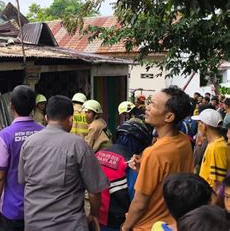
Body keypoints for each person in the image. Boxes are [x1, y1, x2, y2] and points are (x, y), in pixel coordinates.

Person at [18, 95, 109, 230]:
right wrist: (94, 214)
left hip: (34, 224)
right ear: (71, 119)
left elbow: (23, 180)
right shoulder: (78, 146)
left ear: (46, 118)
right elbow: (94, 191)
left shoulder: (28, 143)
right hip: (69, 225)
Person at [121, 86, 194, 231]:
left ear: (169, 117)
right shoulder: (184, 142)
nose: (147, 108)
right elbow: (169, 178)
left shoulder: (153, 153)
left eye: (153, 105)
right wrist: (144, 168)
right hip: (173, 224)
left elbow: (140, 204)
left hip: (148, 226)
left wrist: (125, 227)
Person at [0, 85, 43, 231]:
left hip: (13, 210)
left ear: (11, 106)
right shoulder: (44, 132)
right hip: (41, 208)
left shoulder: (6, 135)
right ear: (34, 106)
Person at [96, 120, 153, 231]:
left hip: (96, 216)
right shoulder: (131, 162)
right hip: (117, 223)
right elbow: (136, 198)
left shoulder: (98, 154)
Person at [192, 109, 229, 189]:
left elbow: (218, 183)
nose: (198, 125)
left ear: (204, 126)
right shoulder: (214, 144)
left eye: (199, 123)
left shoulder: (217, 148)